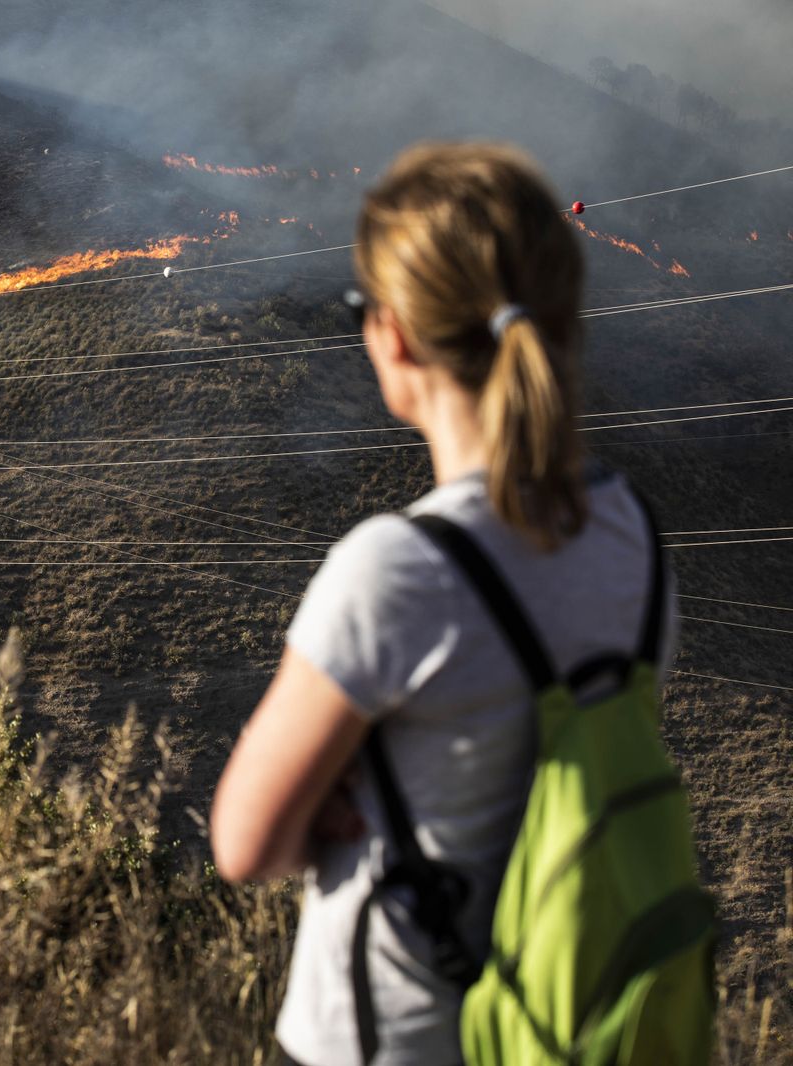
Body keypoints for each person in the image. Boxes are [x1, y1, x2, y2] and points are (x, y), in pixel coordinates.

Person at [208, 142, 677, 1065]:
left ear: (392, 336)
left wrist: (351, 792)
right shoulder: (630, 532)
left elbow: (246, 842)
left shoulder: (399, 571)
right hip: (570, 1018)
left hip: (407, 1036)